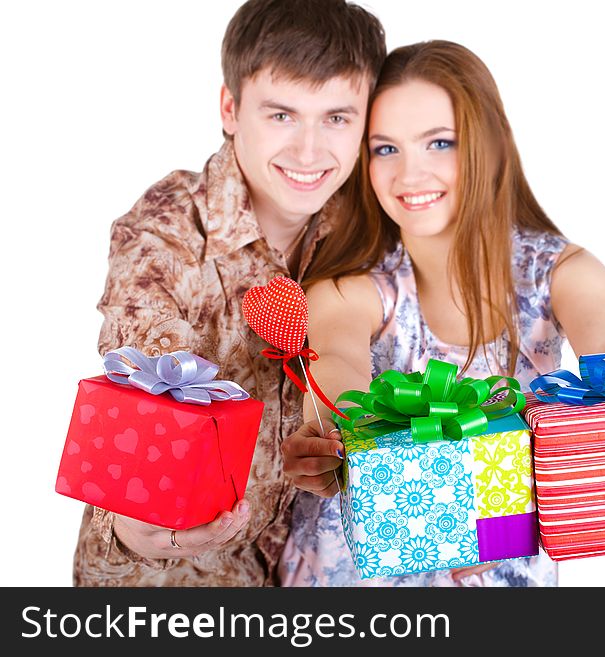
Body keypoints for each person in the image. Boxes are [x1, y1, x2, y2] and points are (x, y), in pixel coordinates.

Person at [280, 40, 605, 586]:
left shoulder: (562, 274)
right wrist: (337, 434)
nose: (410, 174)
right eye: (386, 149)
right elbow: (338, 363)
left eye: (439, 143)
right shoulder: (350, 288)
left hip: (503, 569)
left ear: (493, 147)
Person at [72, 0, 386, 587]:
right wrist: (137, 529)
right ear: (231, 109)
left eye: (337, 118)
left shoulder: (365, 221)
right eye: (282, 115)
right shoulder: (164, 233)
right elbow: (141, 406)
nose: (310, 152)